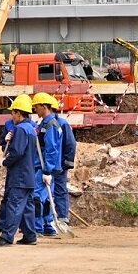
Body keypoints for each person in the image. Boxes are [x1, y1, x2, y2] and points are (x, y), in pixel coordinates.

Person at [0, 94, 38, 248]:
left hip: (19, 176)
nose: (12, 116)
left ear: (19, 113)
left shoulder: (20, 129)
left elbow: (17, 152)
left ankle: (6, 236)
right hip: (29, 175)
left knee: (14, 205)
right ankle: (30, 235)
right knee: (27, 206)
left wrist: (5, 161)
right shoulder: (30, 129)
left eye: (13, 113)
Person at [31, 93, 63, 237]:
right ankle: (47, 225)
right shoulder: (44, 124)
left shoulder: (50, 125)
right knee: (46, 197)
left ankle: (38, 227)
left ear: (44, 107)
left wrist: (47, 171)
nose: (35, 110)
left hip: (45, 167)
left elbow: (51, 149)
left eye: (36, 107)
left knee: (37, 196)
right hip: (44, 166)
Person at [51, 97, 77, 230]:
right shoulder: (44, 123)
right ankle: (50, 219)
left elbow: (70, 144)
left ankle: (62, 218)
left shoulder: (62, 123)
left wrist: (66, 163)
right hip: (49, 164)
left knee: (60, 190)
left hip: (59, 164)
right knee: (48, 192)